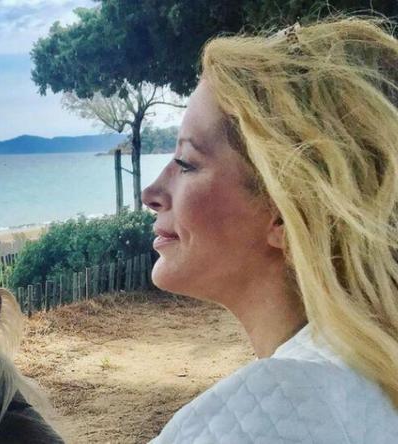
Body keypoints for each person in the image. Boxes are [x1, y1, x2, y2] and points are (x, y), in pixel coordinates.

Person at [142, 17, 398, 443]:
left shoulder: (269, 415)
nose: (151, 193)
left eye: (186, 162)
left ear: (285, 210)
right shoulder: (371, 381)